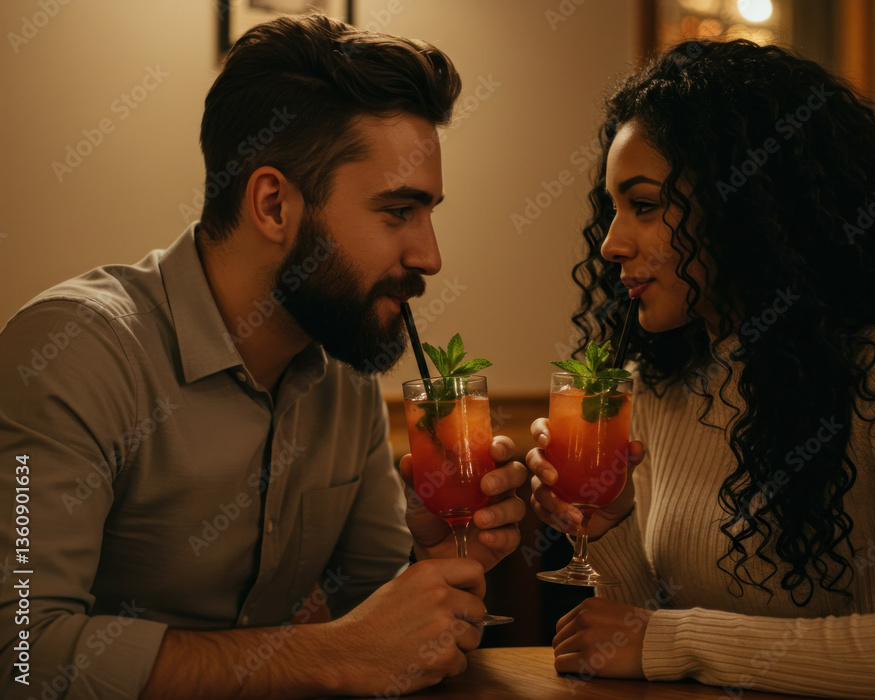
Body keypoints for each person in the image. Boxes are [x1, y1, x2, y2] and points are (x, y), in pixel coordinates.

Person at [0, 14, 527, 700]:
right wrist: (323, 656)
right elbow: (20, 659)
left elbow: (382, 633)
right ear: (274, 205)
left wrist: (445, 556)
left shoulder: (343, 373)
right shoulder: (71, 355)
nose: (430, 256)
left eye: (429, 214)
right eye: (398, 212)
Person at [528, 39, 875, 698]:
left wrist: (673, 641)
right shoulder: (658, 384)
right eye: (611, 209)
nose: (611, 243)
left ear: (741, 203)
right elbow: (637, 640)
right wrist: (608, 527)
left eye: (644, 204)